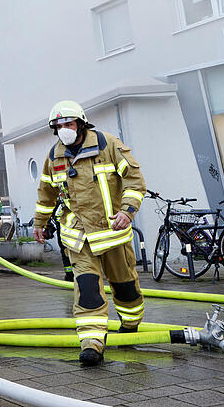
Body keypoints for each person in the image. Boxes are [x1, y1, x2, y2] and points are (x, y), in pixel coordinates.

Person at [33, 100, 146, 367]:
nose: (64, 130)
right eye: (59, 126)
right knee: (87, 290)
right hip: (78, 237)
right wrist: (39, 223)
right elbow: (46, 195)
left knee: (125, 286)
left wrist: (127, 211)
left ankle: (130, 326)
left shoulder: (108, 145)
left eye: (69, 124)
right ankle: (92, 344)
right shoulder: (54, 156)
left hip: (112, 233)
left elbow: (134, 180)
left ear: (81, 124)